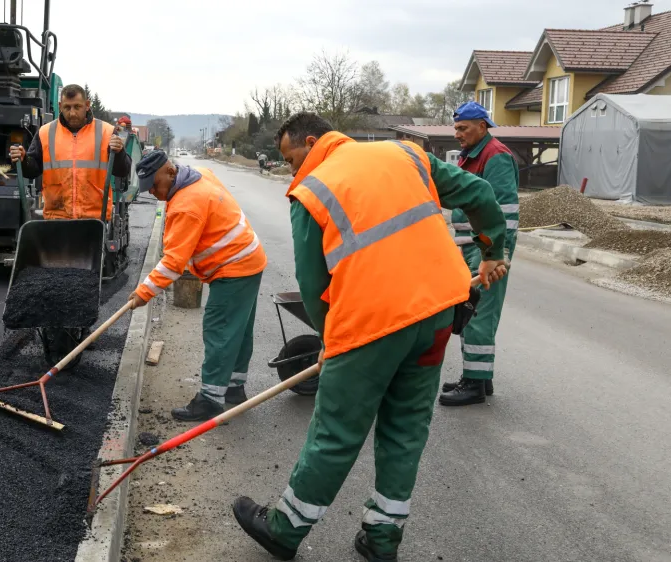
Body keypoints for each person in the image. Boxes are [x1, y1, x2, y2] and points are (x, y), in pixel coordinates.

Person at [231, 112, 508, 562]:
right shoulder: (406, 152)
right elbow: (478, 193)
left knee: (337, 429)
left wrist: (329, 340)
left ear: (311, 141)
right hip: (437, 313)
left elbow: (313, 286)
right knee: (405, 428)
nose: (291, 170)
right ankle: (381, 538)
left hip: (371, 323)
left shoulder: (311, 191)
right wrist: (492, 250)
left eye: (291, 158)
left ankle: (285, 529)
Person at [128, 150, 267, 421]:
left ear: (170, 171)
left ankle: (211, 400)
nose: (154, 193)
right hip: (249, 258)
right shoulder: (200, 174)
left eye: (155, 186)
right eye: (149, 189)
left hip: (233, 267)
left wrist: (144, 292)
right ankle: (233, 389)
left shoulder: (186, 206)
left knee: (220, 330)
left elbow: (172, 263)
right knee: (238, 330)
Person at [439, 101, 519, 407]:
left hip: (485, 248)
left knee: (478, 314)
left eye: (463, 128)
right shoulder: (471, 155)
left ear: (482, 126)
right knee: (470, 310)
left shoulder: (494, 155)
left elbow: (506, 213)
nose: (458, 134)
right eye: (456, 128)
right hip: (472, 245)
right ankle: (480, 379)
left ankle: (473, 384)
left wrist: (495, 253)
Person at [8, 84, 131, 219]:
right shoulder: (46, 132)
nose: (72, 113)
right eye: (67, 107)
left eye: (77, 107)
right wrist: (24, 159)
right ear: (60, 106)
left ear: (87, 105)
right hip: (57, 216)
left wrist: (119, 152)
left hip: (95, 219)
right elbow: (33, 170)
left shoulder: (106, 132)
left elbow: (122, 171)